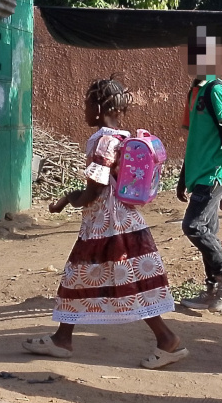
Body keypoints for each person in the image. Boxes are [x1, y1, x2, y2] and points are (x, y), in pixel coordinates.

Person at [22, 78, 186, 368]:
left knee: (116, 281)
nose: (83, 110)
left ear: (97, 108)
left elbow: (96, 188)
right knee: (88, 277)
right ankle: (63, 338)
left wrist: (70, 200)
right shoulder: (123, 136)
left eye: (86, 104)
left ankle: (167, 340)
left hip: (106, 227)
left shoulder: (102, 141)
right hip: (124, 221)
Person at [177, 27, 222, 312]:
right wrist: (184, 176)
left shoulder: (215, 90)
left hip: (216, 173)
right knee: (205, 227)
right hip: (199, 174)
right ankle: (214, 288)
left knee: (192, 226)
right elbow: (194, 137)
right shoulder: (194, 92)